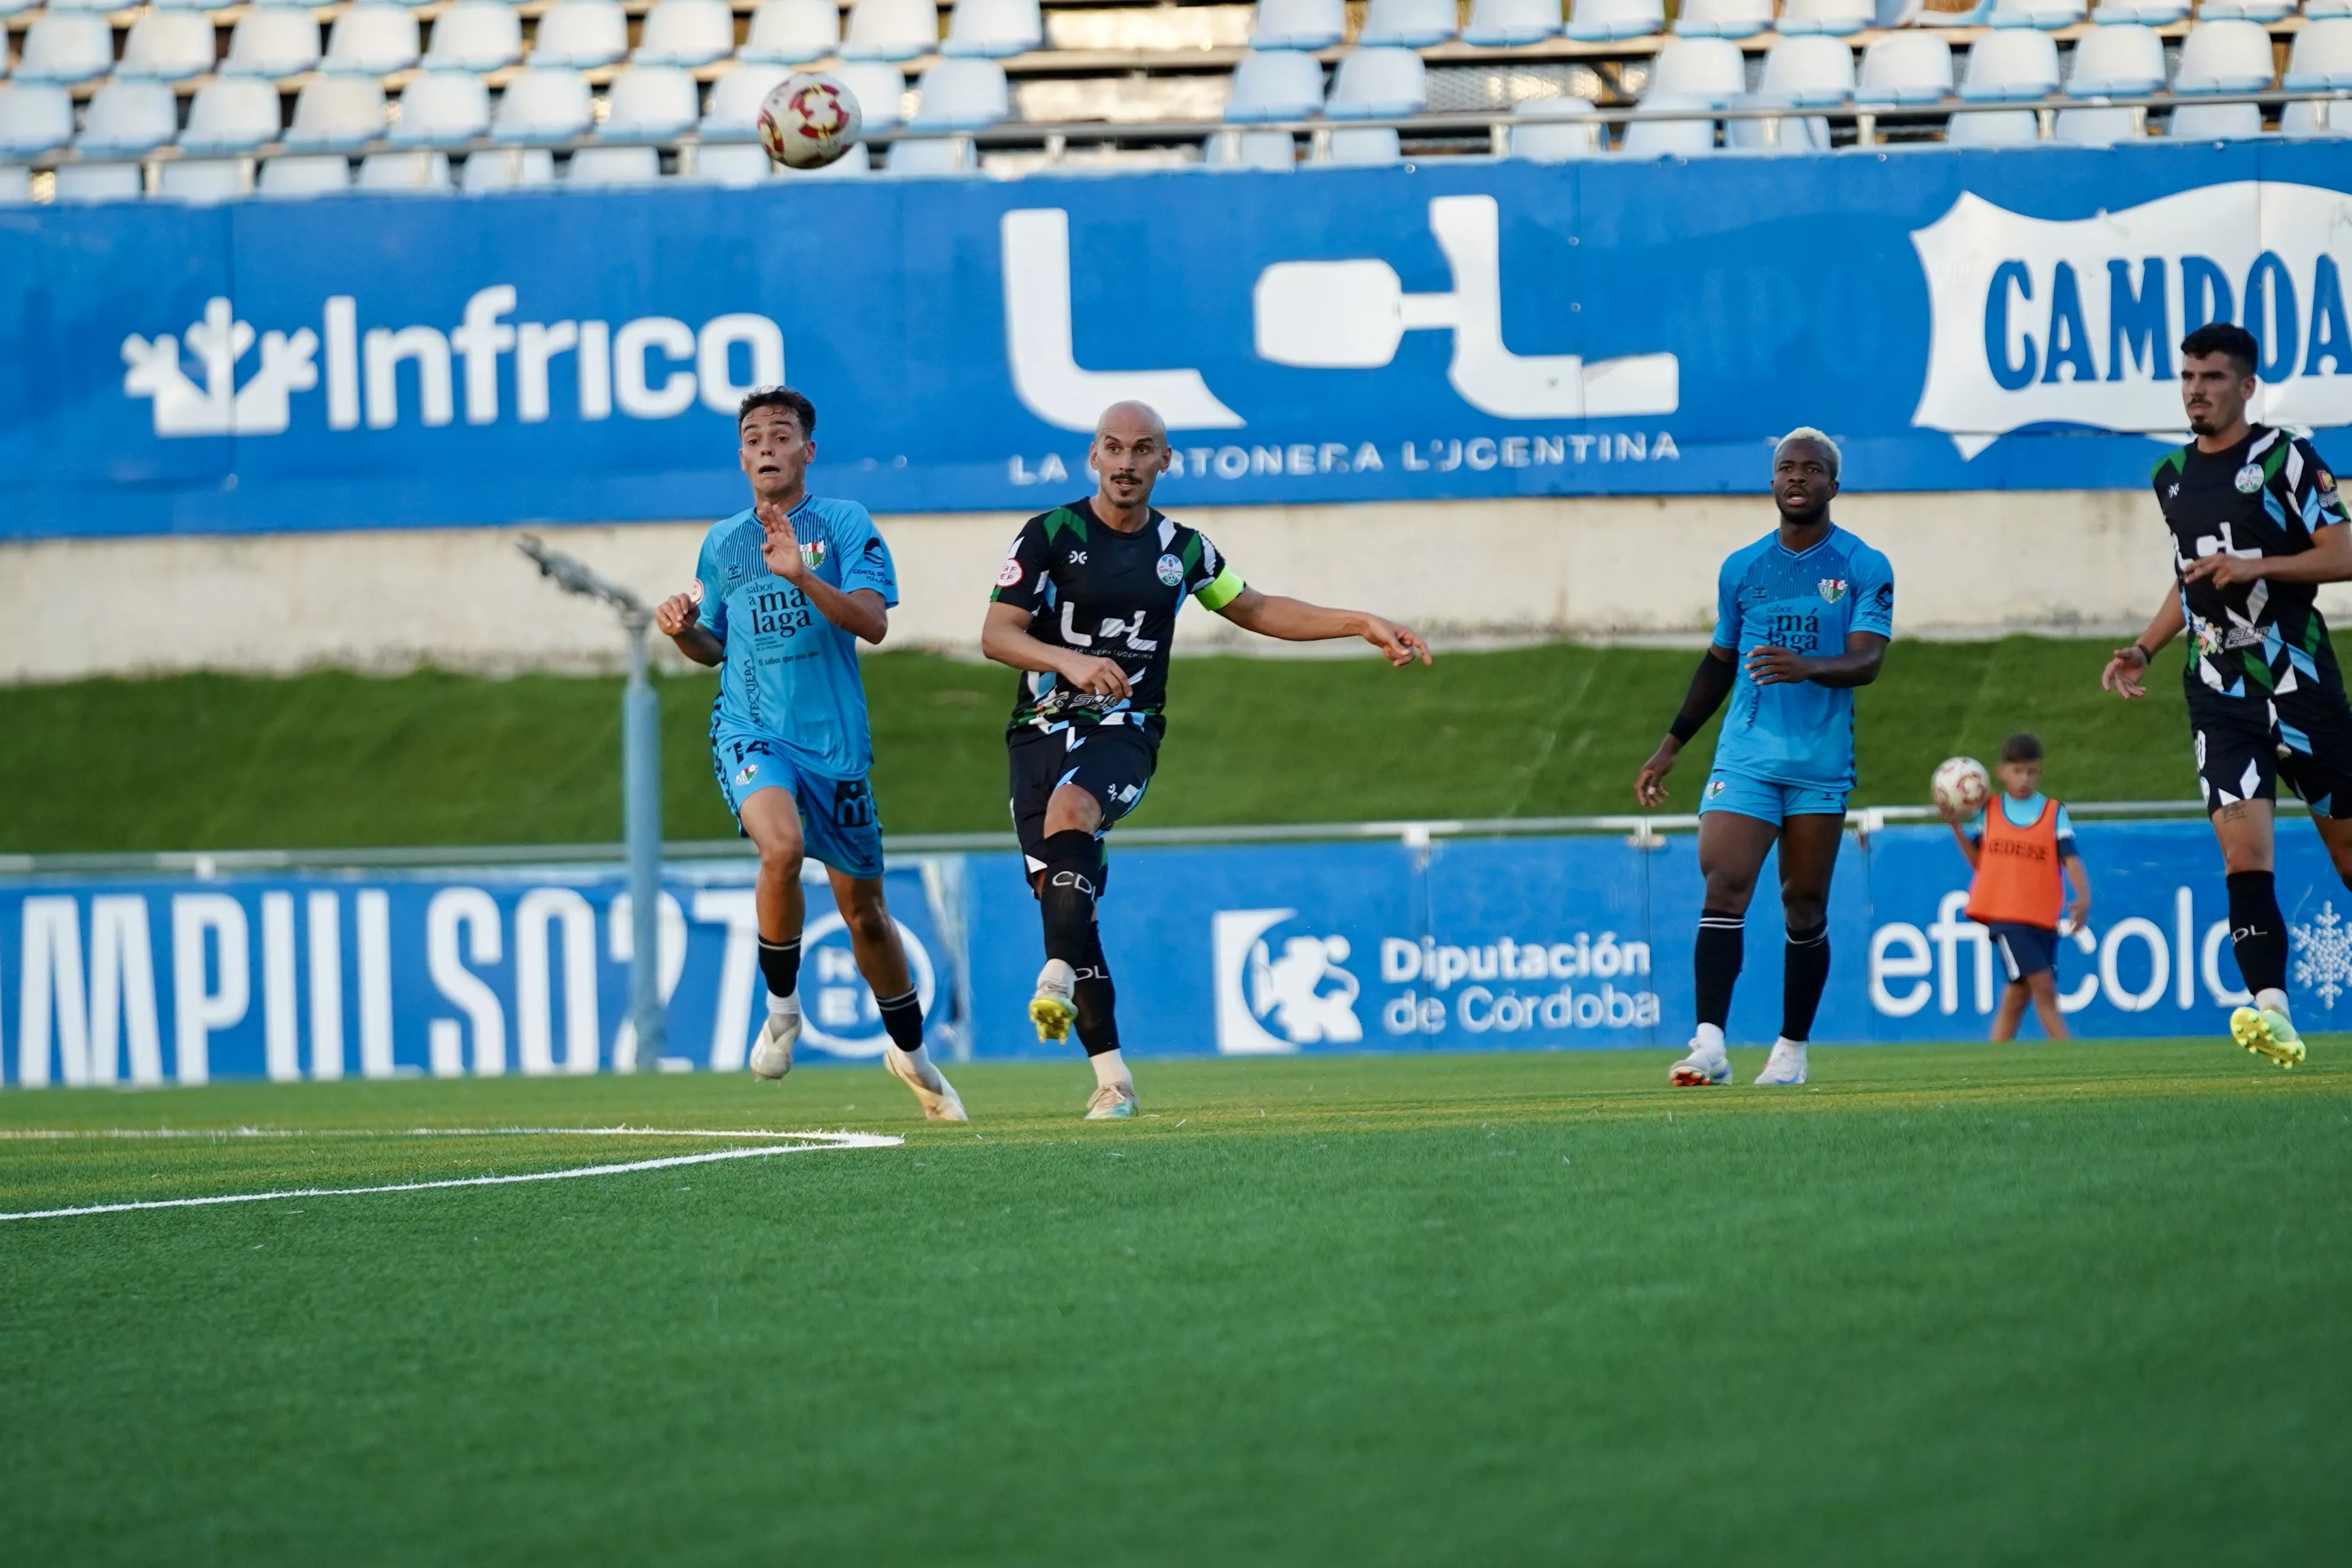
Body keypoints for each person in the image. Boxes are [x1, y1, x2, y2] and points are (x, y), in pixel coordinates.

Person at [979, 400, 1431, 1120]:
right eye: (1114, 448)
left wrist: (1359, 622)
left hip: (1126, 726)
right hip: (1037, 731)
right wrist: (1070, 661)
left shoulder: (1182, 551)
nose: (1127, 463)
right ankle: (1113, 1079)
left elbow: (1252, 608)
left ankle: (1057, 972)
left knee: (1075, 814)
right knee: (1068, 900)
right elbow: (998, 634)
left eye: (1143, 449)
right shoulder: (1050, 535)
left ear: (1166, 460)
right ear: (1093, 457)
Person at [654, 387, 967, 1120]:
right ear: (741, 455)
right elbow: (714, 647)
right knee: (781, 847)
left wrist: (801, 573)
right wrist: (680, 630)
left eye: (782, 435)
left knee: (866, 915)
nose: (767, 446)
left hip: (836, 749)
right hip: (752, 731)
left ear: (807, 451)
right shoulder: (723, 543)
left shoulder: (846, 524)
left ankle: (914, 1056)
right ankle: (782, 1009)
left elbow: (873, 622)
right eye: (754, 436)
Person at [2102, 321, 2352, 1070]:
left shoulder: (2286, 457)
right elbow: (2188, 577)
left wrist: (2257, 567)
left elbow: (2342, 552)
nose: (2196, 390)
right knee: (2244, 855)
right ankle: (2272, 1012)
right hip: (2219, 691)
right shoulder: (2170, 474)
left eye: (2212, 377)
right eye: (2187, 376)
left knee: (2346, 854)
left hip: (2299, 683)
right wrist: (2143, 645)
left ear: (2246, 386)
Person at [1634, 428, 1893, 1087]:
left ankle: (1791, 1049)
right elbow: (1720, 662)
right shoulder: (1743, 568)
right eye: (1786, 468)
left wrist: (1805, 664)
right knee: (1724, 880)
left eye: (1812, 469)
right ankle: (1710, 1046)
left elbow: (1867, 659)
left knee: (1803, 904)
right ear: (1772, 482)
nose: (1798, 477)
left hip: (1819, 762)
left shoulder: (1863, 565)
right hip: (1746, 754)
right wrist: (1669, 746)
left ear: (1835, 484)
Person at [1943, 733, 2091, 1042]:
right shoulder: (1991, 811)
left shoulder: (2053, 812)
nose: (2024, 779)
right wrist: (1956, 827)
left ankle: (1994, 1057)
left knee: (2018, 993)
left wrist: (2083, 896)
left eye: (2031, 772)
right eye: (2018, 771)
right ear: (2002, 772)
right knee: (2044, 986)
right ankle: (2072, 1054)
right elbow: (1980, 863)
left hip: (2041, 916)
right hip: (2007, 916)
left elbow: (2071, 860)